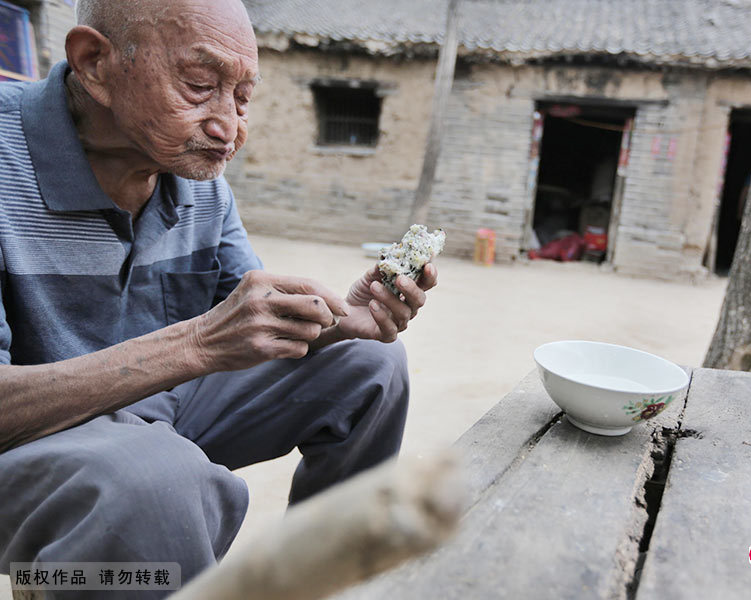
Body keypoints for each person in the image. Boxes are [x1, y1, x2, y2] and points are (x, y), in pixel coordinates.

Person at [0, 0, 436, 594]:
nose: (228, 126)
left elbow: (248, 326)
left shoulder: (192, 171)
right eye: (201, 85)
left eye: (243, 98)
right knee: (154, 482)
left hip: (151, 413)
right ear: (94, 62)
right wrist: (199, 341)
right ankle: (65, 574)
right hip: (30, 440)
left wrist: (339, 320)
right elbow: (207, 343)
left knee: (369, 364)